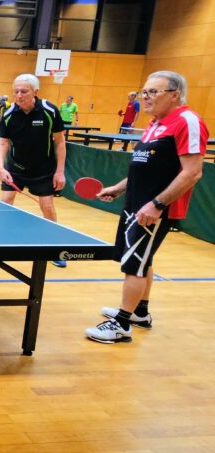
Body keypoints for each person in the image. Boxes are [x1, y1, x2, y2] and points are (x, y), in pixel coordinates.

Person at [86, 71, 206, 344]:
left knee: (134, 265)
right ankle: (140, 312)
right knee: (143, 259)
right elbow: (146, 167)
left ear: (175, 94)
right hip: (137, 204)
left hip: (154, 209)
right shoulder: (155, 123)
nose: (146, 97)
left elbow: (192, 172)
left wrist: (157, 204)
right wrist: (119, 187)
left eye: (153, 91)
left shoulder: (187, 121)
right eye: (144, 92)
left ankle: (121, 324)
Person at [0, 74, 68, 268]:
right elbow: (3, 143)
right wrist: (1, 167)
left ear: (35, 92)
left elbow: (60, 142)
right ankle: (0, 242)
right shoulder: (9, 113)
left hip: (43, 169)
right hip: (16, 168)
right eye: (16, 91)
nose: (19, 95)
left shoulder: (49, 111)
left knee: (47, 206)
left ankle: (54, 248)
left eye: (24, 91)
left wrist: (60, 172)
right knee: (5, 201)